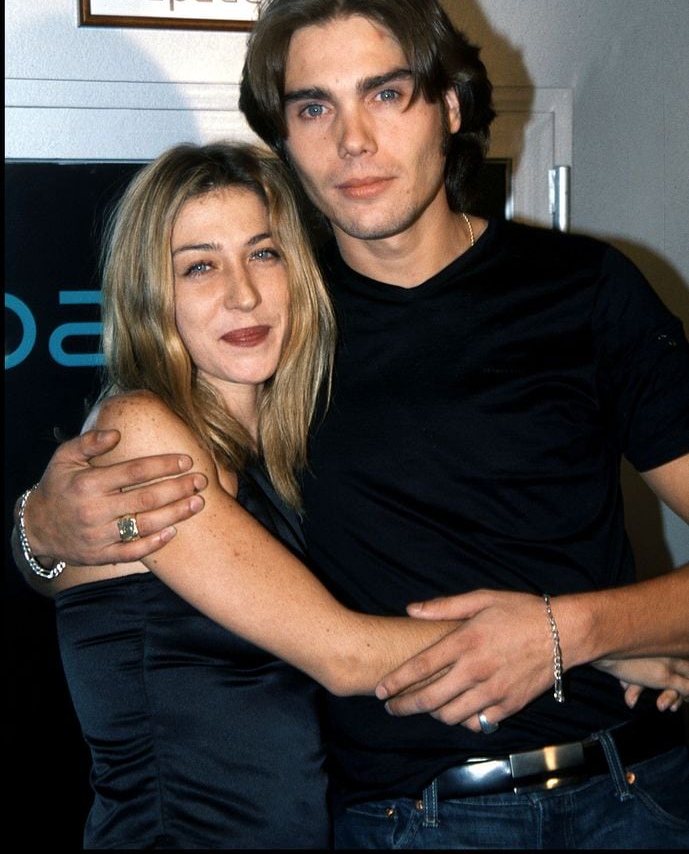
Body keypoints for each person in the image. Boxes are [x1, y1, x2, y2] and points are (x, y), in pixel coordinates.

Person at [15, 0, 689, 848]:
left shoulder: (583, 288)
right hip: (409, 820)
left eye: (386, 93)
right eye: (313, 108)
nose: (353, 142)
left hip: (636, 789)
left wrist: (583, 631)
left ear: (449, 106)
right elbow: (160, 558)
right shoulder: (278, 324)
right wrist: (37, 530)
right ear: (284, 138)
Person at [16, 140, 466, 849]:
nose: (243, 294)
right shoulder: (140, 431)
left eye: (263, 254)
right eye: (200, 266)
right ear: (149, 294)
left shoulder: (290, 451)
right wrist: (574, 644)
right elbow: (344, 656)